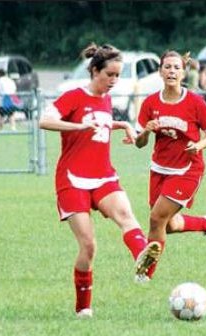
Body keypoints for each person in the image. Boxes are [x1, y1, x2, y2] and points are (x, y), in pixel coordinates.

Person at [39, 43, 148, 318]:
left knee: (126, 215)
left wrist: (122, 125)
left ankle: (143, 260)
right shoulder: (73, 96)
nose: (113, 81)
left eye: (117, 76)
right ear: (94, 70)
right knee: (88, 245)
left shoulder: (107, 99)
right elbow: (45, 120)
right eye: (109, 74)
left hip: (102, 174)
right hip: (72, 179)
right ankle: (83, 307)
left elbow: (100, 123)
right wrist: (77, 126)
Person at [134, 50, 206, 282]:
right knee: (167, 225)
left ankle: (146, 274)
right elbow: (139, 144)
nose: (172, 71)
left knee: (155, 219)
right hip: (159, 169)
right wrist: (145, 131)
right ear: (160, 71)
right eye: (167, 67)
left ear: (183, 73)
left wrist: (199, 145)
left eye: (176, 67)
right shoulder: (150, 103)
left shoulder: (194, 102)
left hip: (187, 169)